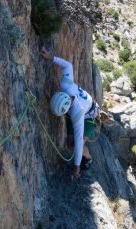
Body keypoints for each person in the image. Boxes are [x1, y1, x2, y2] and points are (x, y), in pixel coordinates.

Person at [40, 47, 99, 180]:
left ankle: (87, 158)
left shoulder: (77, 114)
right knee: (70, 141)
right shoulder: (66, 85)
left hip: (90, 114)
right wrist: (50, 57)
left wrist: (76, 167)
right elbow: (68, 65)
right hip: (84, 105)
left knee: (73, 143)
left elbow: (78, 141)